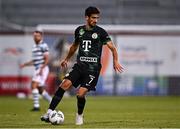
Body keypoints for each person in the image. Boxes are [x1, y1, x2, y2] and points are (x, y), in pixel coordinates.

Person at [41, 6, 124, 125]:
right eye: (93, 18)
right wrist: (66, 59)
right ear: (87, 17)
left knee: (80, 94)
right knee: (64, 84)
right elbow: (74, 47)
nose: (96, 20)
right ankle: (49, 112)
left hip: (93, 70)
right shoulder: (79, 30)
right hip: (79, 66)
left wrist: (116, 61)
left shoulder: (100, 32)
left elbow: (113, 48)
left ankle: (79, 115)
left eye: (97, 18)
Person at [20, 29, 52, 111]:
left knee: (33, 85)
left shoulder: (43, 45)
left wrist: (42, 68)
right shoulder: (34, 47)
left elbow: (47, 58)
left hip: (42, 68)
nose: (35, 37)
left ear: (41, 37)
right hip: (38, 68)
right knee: (40, 89)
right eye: (34, 36)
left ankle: (36, 106)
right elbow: (35, 60)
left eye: (37, 36)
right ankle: (52, 102)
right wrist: (25, 64)